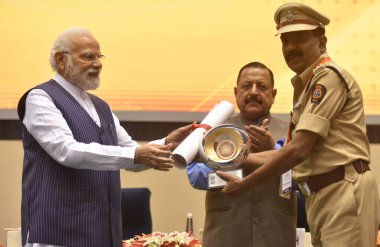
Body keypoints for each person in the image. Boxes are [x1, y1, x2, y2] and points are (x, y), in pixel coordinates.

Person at [217, 3, 380, 247]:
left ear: (321, 42)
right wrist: (232, 158)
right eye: (285, 40)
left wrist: (246, 184)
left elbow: (298, 150)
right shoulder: (305, 86)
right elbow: (287, 152)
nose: (290, 47)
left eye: (300, 38)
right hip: (322, 194)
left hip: (342, 191)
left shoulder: (328, 77)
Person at [17, 27, 193, 247]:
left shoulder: (101, 106)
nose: (98, 64)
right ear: (61, 60)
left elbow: (131, 154)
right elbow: (66, 151)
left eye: (99, 57)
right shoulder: (41, 98)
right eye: (88, 57)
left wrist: (167, 143)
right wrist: (136, 154)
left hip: (102, 234)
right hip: (56, 235)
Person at [187, 62, 296, 247]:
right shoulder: (215, 131)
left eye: (262, 86)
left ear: (274, 94)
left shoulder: (291, 132)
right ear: (236, 92)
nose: (253, 92)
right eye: (247, 86)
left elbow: (300, 175)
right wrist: (236, 158)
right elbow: (196, 176)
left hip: (275, 234)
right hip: (225, 235)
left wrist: (271, 152)